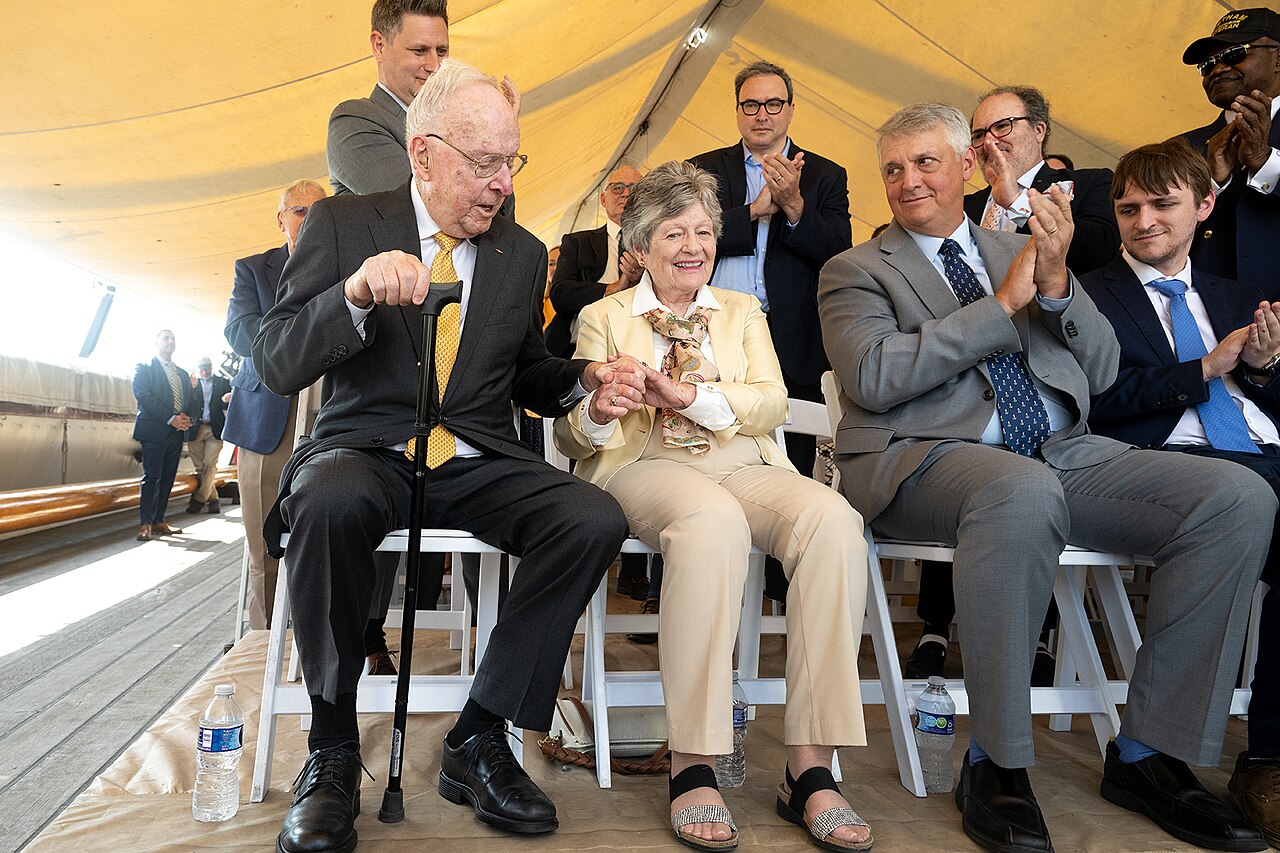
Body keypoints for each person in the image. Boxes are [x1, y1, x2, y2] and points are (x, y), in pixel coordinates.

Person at [818, 101, 1272, 853]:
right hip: (920, 455)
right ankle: (996, 759)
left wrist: (1056, 285)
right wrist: (1001, 308)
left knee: (1236, 496)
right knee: (1016, 491)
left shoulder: (1021, 249)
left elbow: (1094, 371)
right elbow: (871, 374)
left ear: (968, 167)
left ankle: (1148, 753)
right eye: (893, 168)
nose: (908, 180)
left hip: (1059, 453)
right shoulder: (857, 268)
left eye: (926, 161)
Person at [255, 60, 632, 852]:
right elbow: (276, 359)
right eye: (483, 162)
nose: (501, 184)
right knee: (328, 499)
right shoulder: (344, 224)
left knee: (592, 515)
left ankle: (479, 732)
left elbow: (523, 366)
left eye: (511, 162)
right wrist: (353, 294)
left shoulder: (522, 254)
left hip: (474, 455)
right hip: (367, 447)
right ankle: (329, 748)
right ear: (423, 153)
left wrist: (584, 379)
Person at [555, 161, 871, 853]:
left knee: (834, 523)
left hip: (743, 459)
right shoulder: (603, 317)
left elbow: (773, 402)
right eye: (675, 232)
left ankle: (809, 765)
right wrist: (602, 409)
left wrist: (689, 396)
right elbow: (570, 434)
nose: (693, 246)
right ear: (640, 244)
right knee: (711, 522)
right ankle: (694, 761)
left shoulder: (740, 309)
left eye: (703, 230)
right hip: (646, 467)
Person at [1083, 137, 1280, 847]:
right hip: (1164, 466)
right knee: (1248, 497)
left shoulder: (1234, 293)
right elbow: (1098, 402)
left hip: (1263, 453)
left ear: (1204, 205)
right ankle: (1175, 754)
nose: (1144, 221)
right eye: (1128, 207)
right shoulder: (1092, 294)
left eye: (1163, 204)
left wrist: (1259, 368)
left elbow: (1269, 398)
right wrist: (1204, 366)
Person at [912, 85, 1123, 681]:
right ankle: (935, 625)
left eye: (1002, 126)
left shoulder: (1094, 185)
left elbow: (1101, 248)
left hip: (1052, 371)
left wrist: (1019, 201)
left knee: (1032, 462)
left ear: (1041, 129)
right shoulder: (960, 201)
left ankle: (1040, 635)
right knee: (955, 430)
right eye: (978, 134)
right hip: (968, 373)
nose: (989, 141)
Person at [691, 59, 851, 603]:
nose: (762, 115)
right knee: (705, 443)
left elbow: (837, 254)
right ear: (737, 110)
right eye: (751, 105)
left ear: (790, 109)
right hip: (713, 332)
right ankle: (705, 575)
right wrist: (755, 210)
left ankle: (782, 593)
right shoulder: (703, 171)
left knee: (793, 458)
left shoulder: (825, 174)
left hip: (792, 337)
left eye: (773, 104)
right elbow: (687, 238)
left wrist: (796, 207)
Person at [223, 178, 327, 629]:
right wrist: (293, 338)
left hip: (333, 406)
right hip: (268, 409)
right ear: (281, 218)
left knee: (327, 533)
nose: (307, 220)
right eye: (299, 211)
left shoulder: (349, 265)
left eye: (318, 211)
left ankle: (323, 641)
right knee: (263, 541)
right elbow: (238, 330)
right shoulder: (252, 268)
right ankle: (263, 643)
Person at [328, 0, 515, 217]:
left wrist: (498, 142)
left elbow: (503, 229)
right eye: (419, 50)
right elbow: (421, 210)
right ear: (379, 45)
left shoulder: (456, 128)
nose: (435, 66)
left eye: (442, 51)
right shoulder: (354, 121)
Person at [1179, 8, 1280, 300]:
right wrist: (1210, 185)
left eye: (1235, 53)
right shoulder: (1180, 148)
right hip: (1207, 320)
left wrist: (1264, 162)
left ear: (1277, 58)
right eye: (1207, 64)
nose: (1218, 68)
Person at [545, 164, 645, 359]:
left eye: (634, 189)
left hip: (639, 349)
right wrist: (613, 288)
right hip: (579, 349)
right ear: (603, 198)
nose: (625, 193)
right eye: (617, 187)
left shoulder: (658, 244)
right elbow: (560, 294)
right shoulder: (577, 243)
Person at [132, 329, 197, 541]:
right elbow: (143, 396)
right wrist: (171, 418)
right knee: (152, 477)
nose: (170, 341)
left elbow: (192, 400)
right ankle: (146, 523)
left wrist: (189, 419)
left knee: (168, 477)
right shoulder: (144, 367)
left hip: (176, 433)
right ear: (156, 342)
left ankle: (159, 519)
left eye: (173, 338)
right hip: (154, 430)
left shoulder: (182, 373)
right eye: (166, 338)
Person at [184, 356, 231, 514]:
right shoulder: (191, 384)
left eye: (207, 367)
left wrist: (228, 398)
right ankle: (213, 499)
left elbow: (229, 402)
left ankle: (199, 499)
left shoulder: (222, 382)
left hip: (214, 428)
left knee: (210, 465)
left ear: (211, 367)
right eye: (201, 368)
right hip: (195, 428)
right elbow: (184, 402)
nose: (204, 371)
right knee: (200, 467)